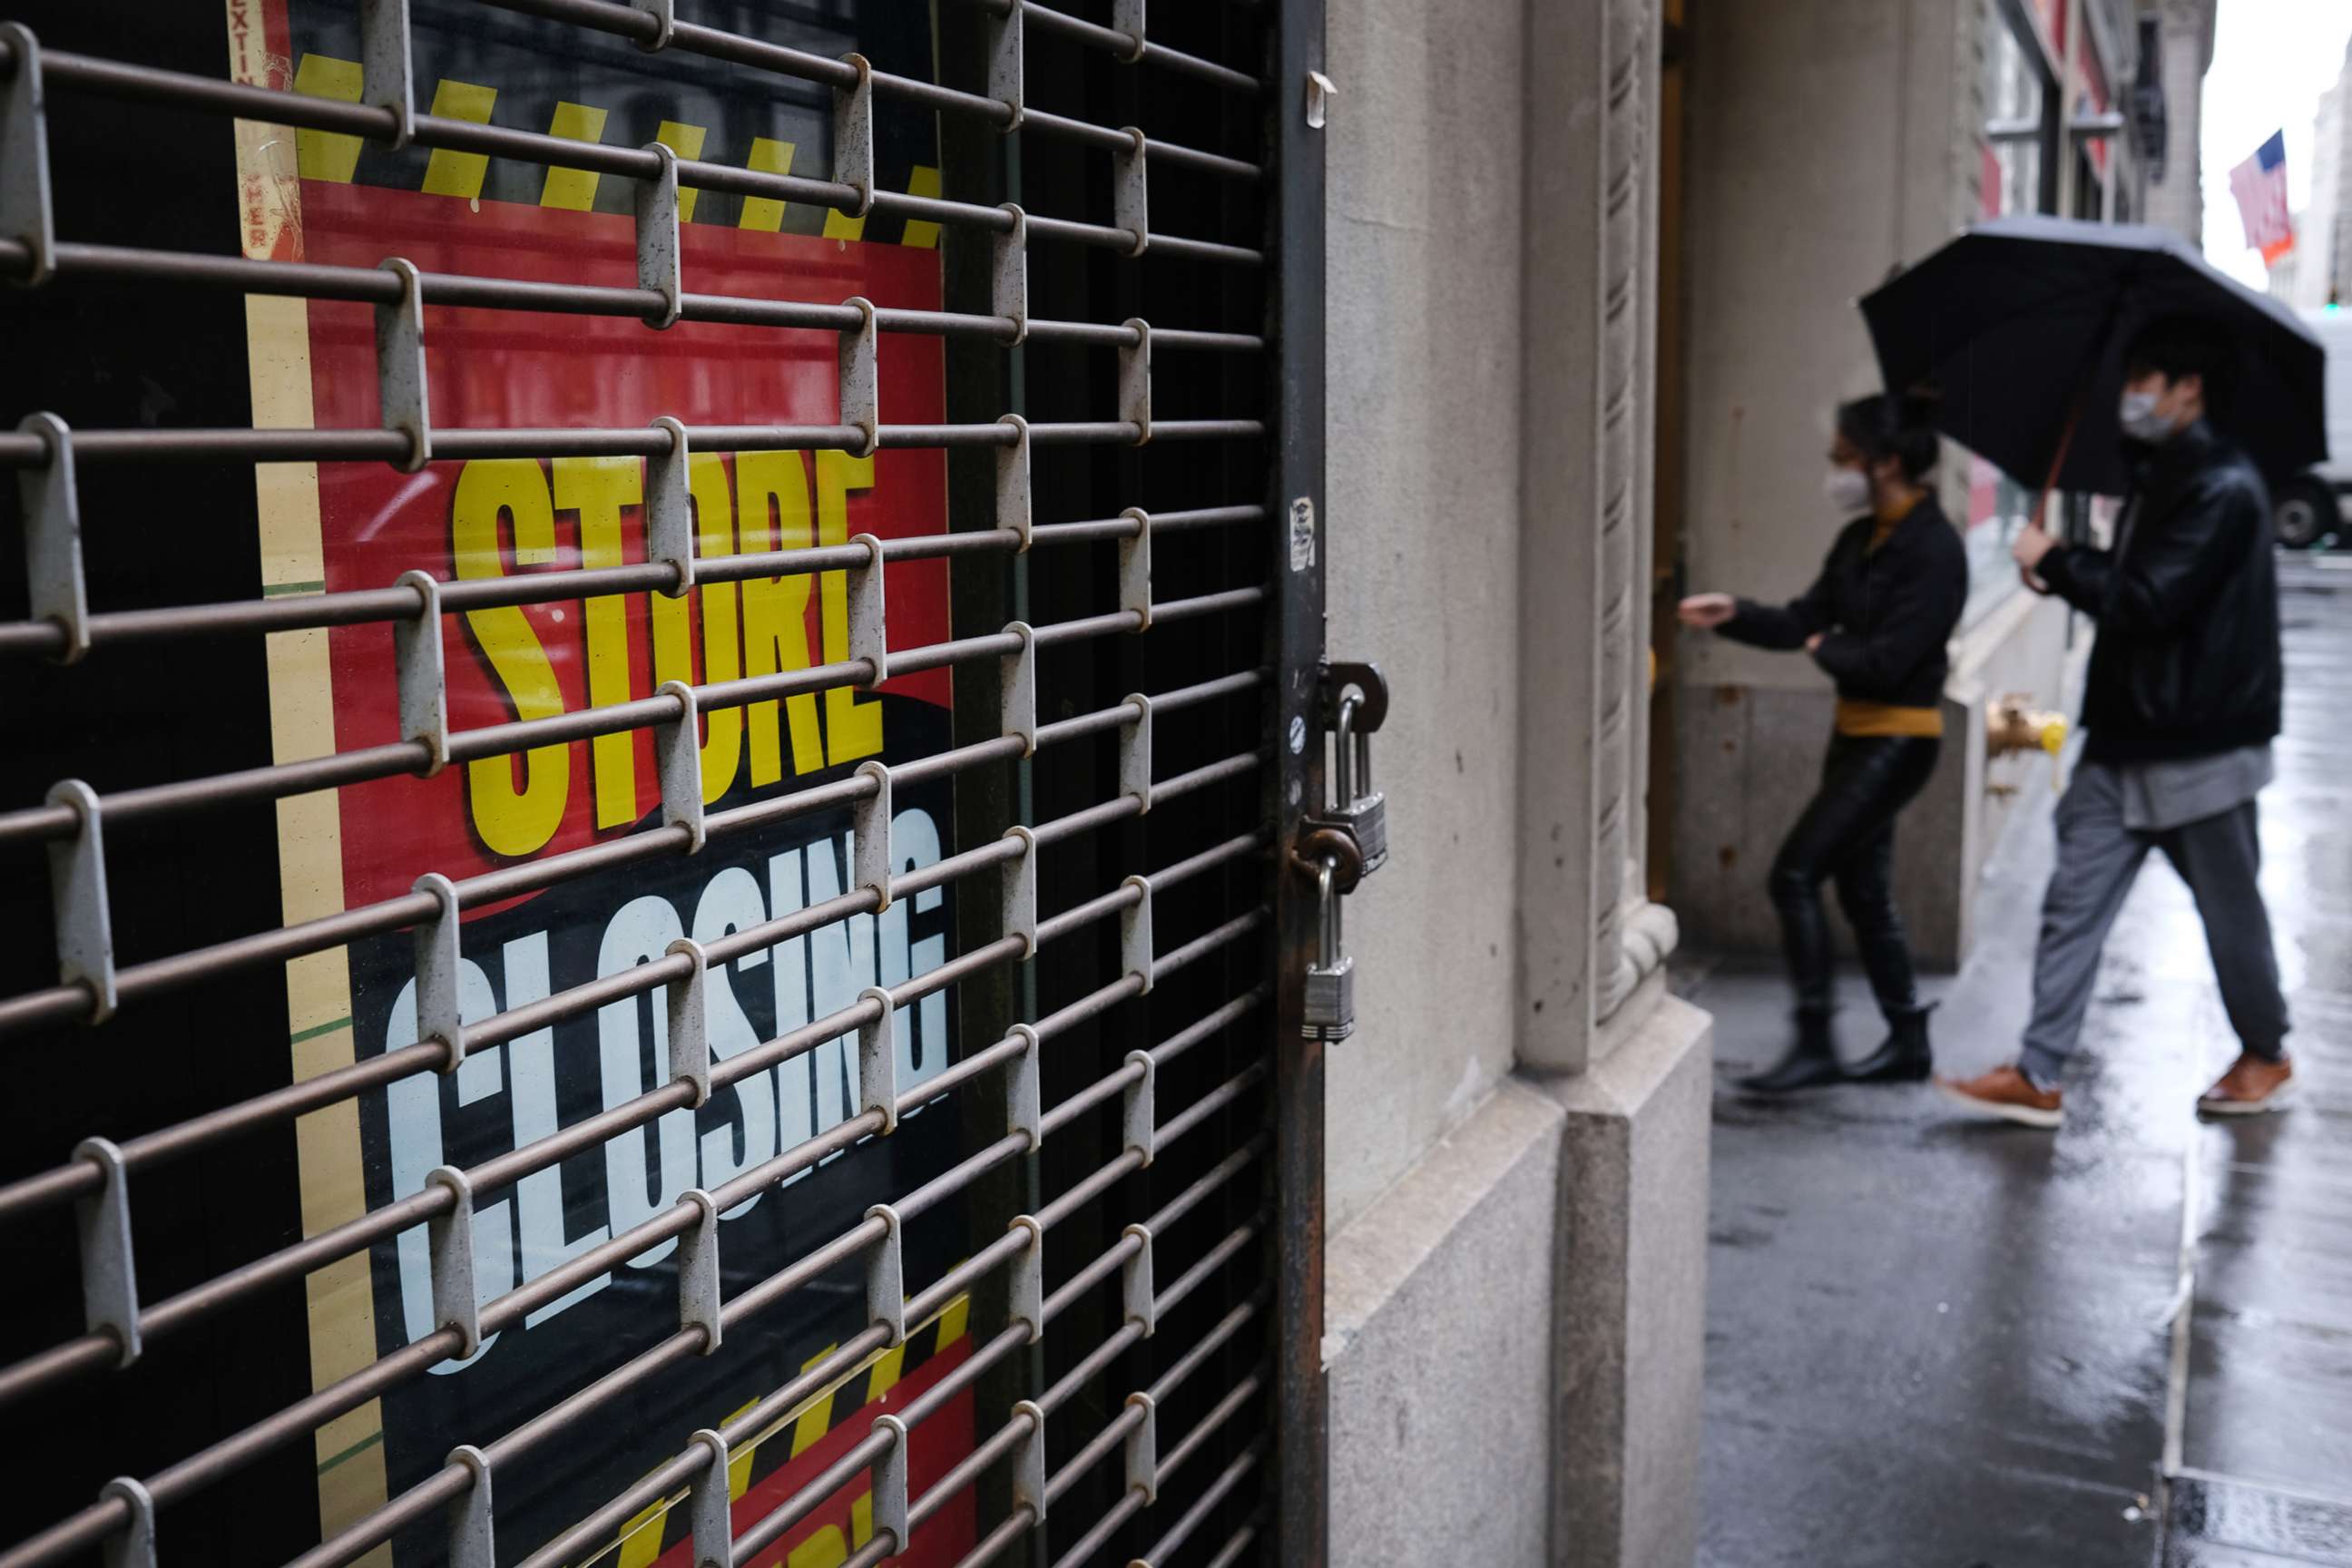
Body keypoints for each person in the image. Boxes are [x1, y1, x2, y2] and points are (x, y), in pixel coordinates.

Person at [1938, 317, 2291, 1128]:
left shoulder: (2223, 486)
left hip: (2201, 746)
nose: (2132, 396)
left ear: (2187, 388)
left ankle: (2266, 1052)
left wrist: (2056, 563)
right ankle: (2039, 1069)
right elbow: (2134, 586)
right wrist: (2059, 569)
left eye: (2146, 381)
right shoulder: (2163, 473)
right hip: (2128, 735)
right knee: (2073, 899)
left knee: (2230, 913)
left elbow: (2150, 599)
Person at [1681, 390, 1967, 1092]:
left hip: (1899, 742)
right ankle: (1907, 1039)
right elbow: (1805, 618)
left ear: (1887, 462)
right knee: (1863, 890)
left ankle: (1815, 1040)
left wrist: (1823, 645)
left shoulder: (1935, 550)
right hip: (1856, 736)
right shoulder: (1861, 538)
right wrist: (1736, 615)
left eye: (1844, 457)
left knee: (1796, 873)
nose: (1834, 471)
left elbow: (1889, 661)